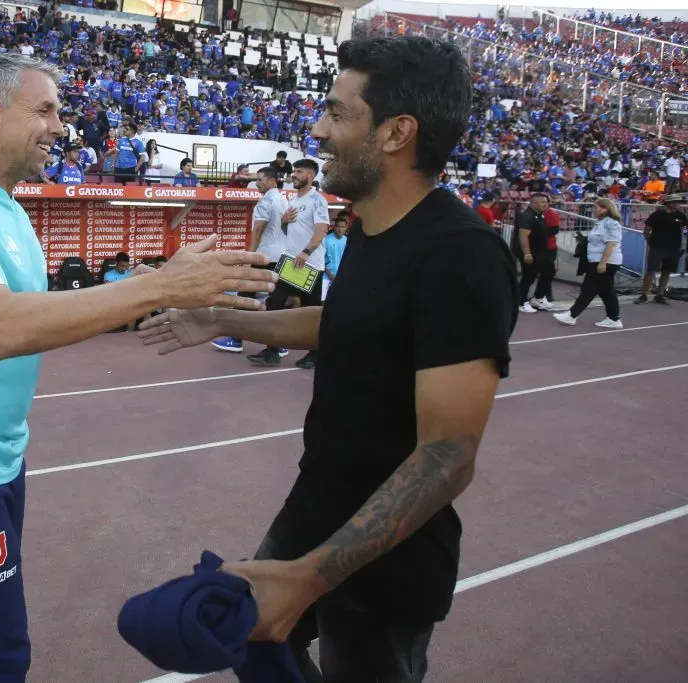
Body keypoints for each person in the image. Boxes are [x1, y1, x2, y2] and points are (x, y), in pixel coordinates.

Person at [0, 53, 276, 683]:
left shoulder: (9, 210)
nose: (60, 126)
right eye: (44, 109)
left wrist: (159, 291)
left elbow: (39, 314)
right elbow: (1, 327)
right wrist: (153, 288)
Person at [139, 36, 518, 682]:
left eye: (339, 113)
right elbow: (346, 321)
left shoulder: (461, 257)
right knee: (252, 647)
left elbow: (447, 457)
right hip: (315, 504)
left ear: (399, 133)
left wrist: (307, 577)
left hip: (387, 555)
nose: (318, 127)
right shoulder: (373, 228)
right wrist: (223, 318)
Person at [247, 159, 328, 369]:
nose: (293, 175)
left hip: (309, 265)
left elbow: (321, 231)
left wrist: (306, 252)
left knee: (310, 310)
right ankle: (273, 351)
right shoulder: (293, 200)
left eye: (299, 172)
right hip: (291, 262)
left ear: (310, 176)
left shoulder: (317, 200)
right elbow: (288, 232)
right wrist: (283, 221)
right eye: (294, 171)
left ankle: (316, 352)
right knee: (274, 304)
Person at [211, 166, 290, 355]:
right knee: (276, 302)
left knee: (244, 297)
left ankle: (236, 339)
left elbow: (258, 230)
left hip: (264, 256)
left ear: (272, 181)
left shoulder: (266, 202)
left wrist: (249, 256)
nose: (257, 183)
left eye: (261, 180)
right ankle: (278, 344)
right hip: (282, 256)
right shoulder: (285, 200)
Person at [553, 197, 624, 329]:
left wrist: (603, 262)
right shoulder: (600, 222)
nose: (593, 210)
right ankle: (614, 318)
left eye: (596, 208)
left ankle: (572, 315)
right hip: (598, 260)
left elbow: (611, 244)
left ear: (605, 209)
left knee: (588, 288)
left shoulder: (611, 223)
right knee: (606, 291)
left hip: (605, 261)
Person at [636, 196, 687, 305]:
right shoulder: (657, 215)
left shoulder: (681, 216)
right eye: (675, 202)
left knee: (667, 271)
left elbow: (682, 231)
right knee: (651, 271)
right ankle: (644, 295)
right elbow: (647, 230)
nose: (678, 204)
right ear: (668, 203)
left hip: (674, 248)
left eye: (679, 202)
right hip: (657, 248)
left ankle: (660, 295)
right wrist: (651, 244)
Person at [514, 193, 558, 313]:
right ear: (533, 203)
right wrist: (527, 253)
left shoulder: (540, 215)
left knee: (550, 271)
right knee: (528, 277)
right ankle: (520, 302)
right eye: (542, 202)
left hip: (542, 251)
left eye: (546, 202)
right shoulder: (527, 216)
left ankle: (537, 298)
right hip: (531, 252)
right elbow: (523, 235)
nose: (546, 204)